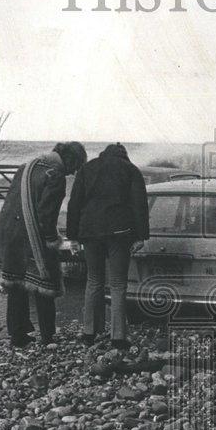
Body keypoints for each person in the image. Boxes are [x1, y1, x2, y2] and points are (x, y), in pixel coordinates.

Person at [0, 141, 86, 347]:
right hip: (30, 235)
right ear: (70, 160)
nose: (71, 173)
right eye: (74, 167)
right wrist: (52, 240)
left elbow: (11, 202)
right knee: (45, 284)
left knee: (15, 284)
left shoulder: (25, 167)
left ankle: (17, 336)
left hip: (7, 231)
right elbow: (47, 214)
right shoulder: (55, 175)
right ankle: (47, 337)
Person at [66, 142, 149, 348]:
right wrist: (141, 236)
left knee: (93, 280)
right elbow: (140, 204)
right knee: (118, 284)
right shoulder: (131, 170)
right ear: (124, 155)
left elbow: (74, 203)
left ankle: (88, 332)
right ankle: (118, 337)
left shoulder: (87, 169)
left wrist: (73, 237)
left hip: (90, 231)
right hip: (120, 233)